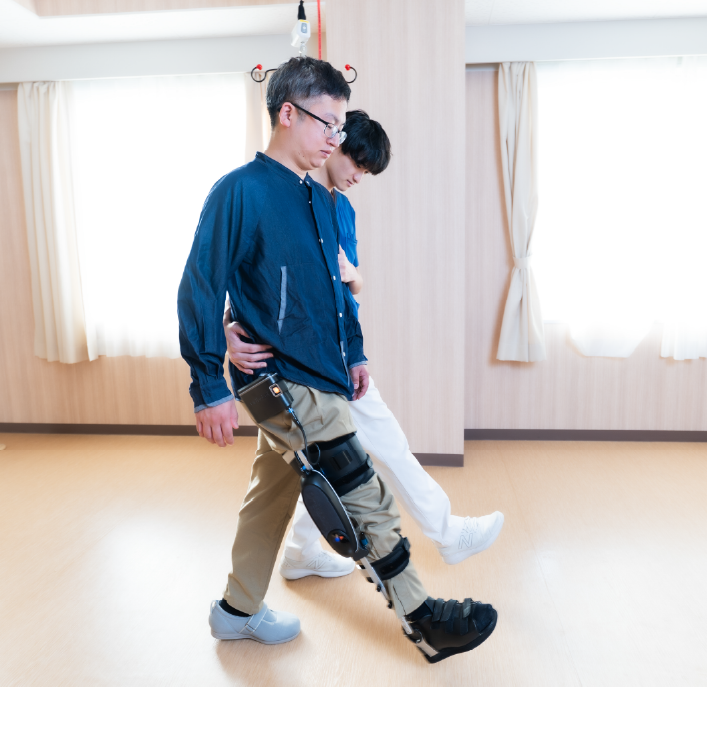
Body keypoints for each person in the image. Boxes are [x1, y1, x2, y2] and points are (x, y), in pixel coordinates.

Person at [177, 57, 497, 663]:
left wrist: (355, 354)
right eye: (328, 123)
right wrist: (209, 386)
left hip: (326, 371)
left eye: (340, 126)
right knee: (358, 487)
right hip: (283, 379)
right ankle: (425, 620)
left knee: (271, 496)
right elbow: (202, 285)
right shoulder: (240, 191)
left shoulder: (321, 202)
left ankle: (237, 610)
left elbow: (334, 292)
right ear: (287, 113)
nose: (335, 137)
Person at [225, 110, 504, 581]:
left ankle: (300, 550)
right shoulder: (278, 197)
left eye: (366, 171)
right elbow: (246, 273)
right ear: (331, 140)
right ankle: (446, 532)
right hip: (297, 359)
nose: (358, 175)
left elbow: (345, 287)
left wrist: (356, 343)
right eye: (356, 162)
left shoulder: (342, 210)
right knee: (372, 447)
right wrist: (228, 325)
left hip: (332, 355)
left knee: (319, 459)